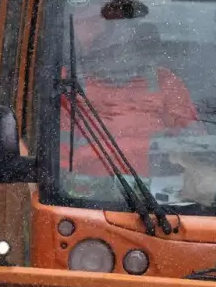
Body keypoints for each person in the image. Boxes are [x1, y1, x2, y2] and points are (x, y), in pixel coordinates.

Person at [68, 18, 201, 178]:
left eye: (128, 45)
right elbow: (58, 151)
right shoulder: (74, 83)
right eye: (113, 46)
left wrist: (165, 144)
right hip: (87, 192)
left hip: (155, 191)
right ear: (98, 51)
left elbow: (195, 141)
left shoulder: (164, 80)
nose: (120, 53)